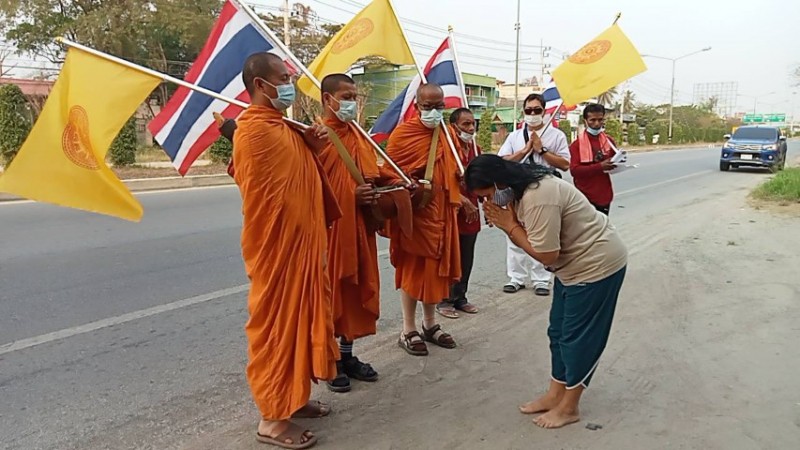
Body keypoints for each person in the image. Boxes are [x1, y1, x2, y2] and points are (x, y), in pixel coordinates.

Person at [465, 154, 627, 430]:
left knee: (578, 338)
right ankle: (555, 393)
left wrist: (510, 225)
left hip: (595, 266)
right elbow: (532, 241)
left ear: (500, 182)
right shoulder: (517, 192)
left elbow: (546, 255)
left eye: (488, 194)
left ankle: (569, 407)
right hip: (570, 269)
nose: (487, 202)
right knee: (558, 333)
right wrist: (510, 223)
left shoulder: (539, 195)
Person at [233, 52, 341, 449]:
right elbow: (264, 193)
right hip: (278, 255)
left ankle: (294, 399)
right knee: (279, 329)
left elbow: (298, 177)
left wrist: (310, 145)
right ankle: (272, 421)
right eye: (283, 77)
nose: (289, 83)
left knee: (301, 324)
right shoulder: (255, 131)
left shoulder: (280, 127)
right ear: (261, 85)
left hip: (303, 250)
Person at [316, 73, 407, 392]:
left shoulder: (358, 134)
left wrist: (396, 183)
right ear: (328, 99)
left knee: (356, 296)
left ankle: (347, 355)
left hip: (361, 229)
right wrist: (349, 197)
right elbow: (310, 188)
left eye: (355, 96)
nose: (352, 102)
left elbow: (371, 171)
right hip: (332, 232)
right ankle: (331, 363)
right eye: (346, 96)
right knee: (333, 296)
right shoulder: (317, 137)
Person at [386, 83, 462, 356]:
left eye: (439, 106)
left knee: (436, 270)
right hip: (416, 216)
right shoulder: (403, 135)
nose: (433, 111)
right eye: (427, 106)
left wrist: (460, 179)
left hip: (443, 213)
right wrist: (409, 182)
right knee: (413, 270)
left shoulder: (449, 134)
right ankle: (408, 329)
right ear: (417, 107)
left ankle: (430, 324)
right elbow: (388, 173)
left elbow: (455, 168)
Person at [497, 93, 570, 296]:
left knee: (542, 233)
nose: (532, 114)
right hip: (518, 189)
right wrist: (524, 151)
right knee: (515, 232)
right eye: (528, 110)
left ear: (544, 111)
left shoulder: (556, 135)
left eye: (536, 110)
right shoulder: (515, 136)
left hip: (544, 189)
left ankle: (541, 279)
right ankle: (516, 277)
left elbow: (565, 164)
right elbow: (502, 161)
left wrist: (542, 151)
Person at [436, 108, 481, 319]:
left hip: (471, 213)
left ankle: (460, 297)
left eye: (473, 124)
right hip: (451, 210)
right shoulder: (445, 149)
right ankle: (444, 299)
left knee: (466, 257)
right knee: (449, 256)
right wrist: (462, 201)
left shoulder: (476, 149)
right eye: (465, 124)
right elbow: (441, 181)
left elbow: (482, 181)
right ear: (454, 126)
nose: (470, 128)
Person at [569, 103, 617, 215]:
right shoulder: (576, 145)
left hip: (604, 195)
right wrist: (600, 167)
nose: (597, 124)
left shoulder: (609, 141)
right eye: (592, 120)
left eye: (600, 120)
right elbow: (575, 171)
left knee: (602, 230)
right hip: (584, 196)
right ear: (585, 121)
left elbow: (615, 160)